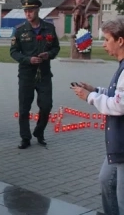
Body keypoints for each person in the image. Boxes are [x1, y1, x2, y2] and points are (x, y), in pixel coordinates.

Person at [71, 18, 124, 215]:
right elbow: (117, 94)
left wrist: (90, 97)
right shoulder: (121, 66)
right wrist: (95, 89)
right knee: (105, 180)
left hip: (122, 143)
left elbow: (119, 105)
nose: (104, 44)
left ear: (120, 41)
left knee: (122, 197)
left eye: (107, 39)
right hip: (118, 143)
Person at [10, 0, 60, 149]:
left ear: (38, 10)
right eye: (26, 11)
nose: (28, 13)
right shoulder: (20, 30)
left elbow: (56, 48)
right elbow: (13, 51)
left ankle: (39, 132)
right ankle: (25, 138)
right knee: (24, 107)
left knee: (46, 105)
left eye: (31, 10)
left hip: (44, 74)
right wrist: (27, 59)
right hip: (26, 74)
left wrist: (48, 55)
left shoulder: (49, 28)